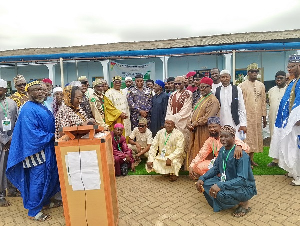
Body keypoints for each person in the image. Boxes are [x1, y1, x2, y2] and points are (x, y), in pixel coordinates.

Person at [6, 80, 61, 221]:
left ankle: (42, 203)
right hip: (35, 151)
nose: (41, 92)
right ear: (29, 92)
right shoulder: (28, 108)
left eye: (42, 89)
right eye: (37, 89)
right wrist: (52, 136)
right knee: (37, 180)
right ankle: (33, 211)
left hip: (45, 148)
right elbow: (31, 133)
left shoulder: (41, 105)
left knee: (46, 178)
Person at [196, 125, 257, 217]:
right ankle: (227, 202)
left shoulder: (242, 155)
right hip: (227, 181)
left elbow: (242, 179)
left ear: (233, 138)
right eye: (221, 136)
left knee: (220, 193)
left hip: (244, 186)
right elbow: (216, 168)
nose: (223, 139)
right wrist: (202, 178)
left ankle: (244, 204)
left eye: (226, 136)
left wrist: (220, 185)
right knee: (205, 183)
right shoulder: (222, 151)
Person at [269, 54, 300, 185]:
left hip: (296, 122)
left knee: (296, 147)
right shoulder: (293, 81)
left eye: (292, 66)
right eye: (288, 67)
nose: (289, 69)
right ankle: (294, 171)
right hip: (287, 121)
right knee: (289, 146)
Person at [187, 77, 220, 167]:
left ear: (210, 87)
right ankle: (194, 169)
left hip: (205, 130)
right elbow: (193, 112)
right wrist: (189, 122)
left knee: (205, 150)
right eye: (201, 87)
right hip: (196, 129)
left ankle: (205, 171)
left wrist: (195, 123)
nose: (202, 89)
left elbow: (208, 117)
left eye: (205, 87)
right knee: (196, 149)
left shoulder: (213, 100)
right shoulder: (201, 98)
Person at [238, 63, 267, 166]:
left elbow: (263, 101)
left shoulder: (261, 85)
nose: (254, 73)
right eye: (252, 72)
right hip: (246, 117)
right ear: (248, 73)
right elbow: (239, 103)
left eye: (256, 72)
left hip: (257, 117)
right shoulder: (241, 86)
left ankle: (251, 159)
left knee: (255, 137)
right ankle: (245, 160)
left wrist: (264, 117)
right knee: (247, 138)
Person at [146, 115, 185, 182]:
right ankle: (166, 172)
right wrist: (150, 159)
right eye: (166, 123)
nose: (167, 125)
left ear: (174, 125)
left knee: (175, 162)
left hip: (175, 157)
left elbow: (180, 149)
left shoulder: (179, 134)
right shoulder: (160, 132)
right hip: (162, 155)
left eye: (169, 124)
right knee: (153, 162)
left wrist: (170, 158)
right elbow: (153, 146)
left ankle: (174, 174)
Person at [0, 79, 18, 207]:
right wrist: (4, 140)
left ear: (5, 90)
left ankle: (12, 190)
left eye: (0, 89)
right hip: (1, 141)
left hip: (11, 141)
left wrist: (11, 138)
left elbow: (17, 121)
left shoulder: (12, 103)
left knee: (11, 166)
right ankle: (1, 195)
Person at [166, 76, 192, 162]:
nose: (177, 85)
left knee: (183, 141)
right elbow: (169, 108)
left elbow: (186, 109)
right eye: (175, 83)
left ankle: (184, 161)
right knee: (173, 140)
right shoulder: (172, 94)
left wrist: (175, 118)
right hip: (172, 121)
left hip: (182, 122)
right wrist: (170, 118)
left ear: (184, 83)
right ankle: (174, 159)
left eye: (179, 83)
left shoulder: (188, 93)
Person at [215, 70, 247, 138]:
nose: (225, 79)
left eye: (227, 77)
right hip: (222, 121)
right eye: (222, 77)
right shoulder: (217, 90)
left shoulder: (237, 89)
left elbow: (241, 107)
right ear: (220, 79)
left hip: (235, 122)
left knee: (236, 140)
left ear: (230, 77)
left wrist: (243, 124)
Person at [267, 71, 287, 167]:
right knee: (274, 137)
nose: (278, 80)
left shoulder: (289, 90)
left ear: (285, 79)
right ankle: (275, 160)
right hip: (273, 118)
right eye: (277, 78)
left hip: (285, 119)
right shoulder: (271, 90)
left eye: (281, 78)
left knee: (285, 138)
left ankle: (285, 160)